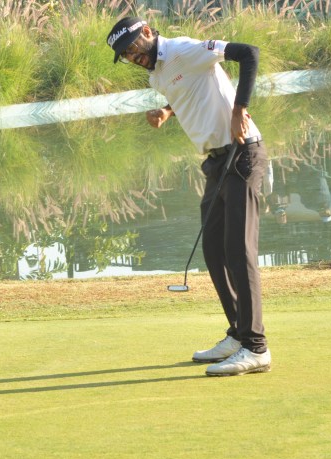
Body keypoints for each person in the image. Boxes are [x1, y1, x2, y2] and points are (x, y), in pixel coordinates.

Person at [106, 16, 271, 376]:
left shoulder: (185, 49)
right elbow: (189, 91)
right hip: (217, 162)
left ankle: (256, 347)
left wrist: (239, 109)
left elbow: (249, 53)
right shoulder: (157, 75)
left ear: (147, 32)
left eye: (132, 48)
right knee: (214, 250)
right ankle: (238, 334)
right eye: (125, 56)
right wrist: (167, 111)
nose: (132, 57)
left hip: (242, 152)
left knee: (239, 251)